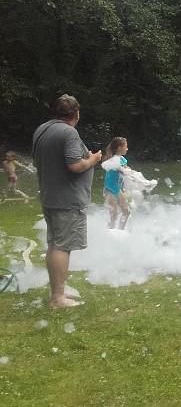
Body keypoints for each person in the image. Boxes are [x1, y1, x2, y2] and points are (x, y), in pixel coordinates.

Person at [32, 94, 102, 308]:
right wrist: (92, 159)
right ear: (76, 113)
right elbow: (74, 165)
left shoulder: (42, 129)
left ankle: (57, 293)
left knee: (55, 245)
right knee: (62, 247)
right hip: (66, 200)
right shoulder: (68, 132)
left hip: (51, 196)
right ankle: (58, 298)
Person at [100, 137, 130, 229]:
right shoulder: (112, 160)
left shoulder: (123, 160)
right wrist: (122, 170)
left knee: (126, 211)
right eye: (126, 146)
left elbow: (126, 171)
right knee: (114, 213)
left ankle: (121, 230)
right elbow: (118, 169)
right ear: (119, 148)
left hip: (118, 188)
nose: (127, 148)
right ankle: (111, 231)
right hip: (109, 189)